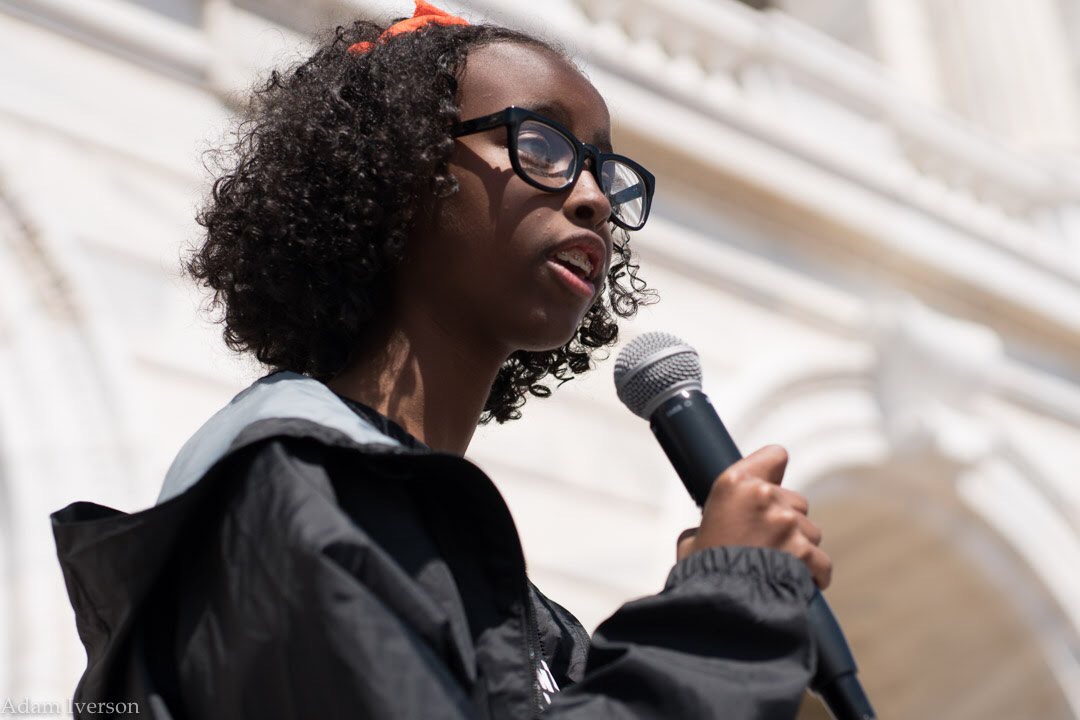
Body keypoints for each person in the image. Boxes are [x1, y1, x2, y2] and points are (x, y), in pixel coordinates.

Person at [51, 3, 832, 718]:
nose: (593, 196)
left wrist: (709, 598)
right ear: (399, 171)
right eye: (541, 144)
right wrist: (721, 612)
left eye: (602, 168)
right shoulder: (292, 480)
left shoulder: (503, 599)